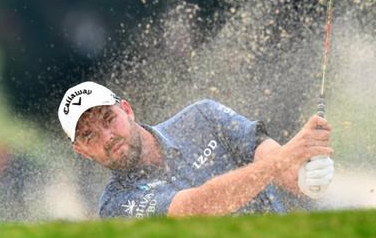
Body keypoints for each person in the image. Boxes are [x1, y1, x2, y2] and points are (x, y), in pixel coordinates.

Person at [57, 81, 335, 218]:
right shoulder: (116, 205)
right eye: (89, 135)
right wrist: (287, 156)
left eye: (109, 119)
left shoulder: (203, 117)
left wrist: (305, 175)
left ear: (127, 110)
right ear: (81, 150)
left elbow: (272, 159)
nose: (107, 137)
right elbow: (197, 207)